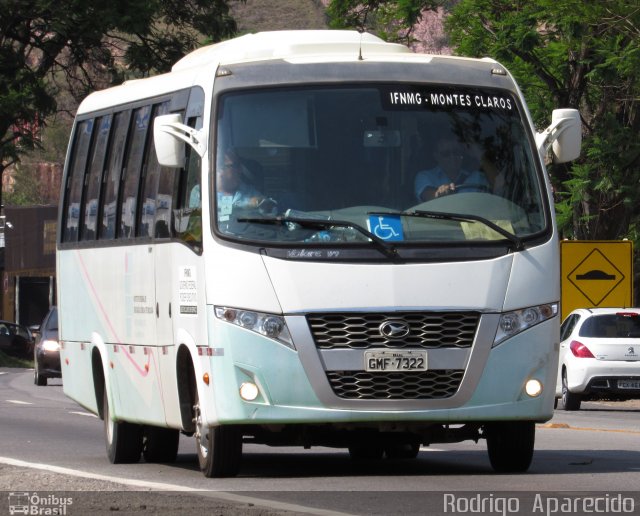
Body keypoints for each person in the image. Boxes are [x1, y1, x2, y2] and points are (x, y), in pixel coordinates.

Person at [414, 137, 489, 202]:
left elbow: (497, 190)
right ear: (436, 156)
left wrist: (479, 154)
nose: (452, 157)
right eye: (446, 153)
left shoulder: (477, 177)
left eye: (456, 152)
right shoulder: (424, 176)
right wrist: (439, 193)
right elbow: (428, 195)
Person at [216, 148, 263, 221]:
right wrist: (246, 205)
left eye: (239, 166)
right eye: (235, 165)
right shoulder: (202, 192)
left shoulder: (250, 192)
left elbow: (268, 207)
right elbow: (195, 225)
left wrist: (258, 202)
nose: (240, 170)